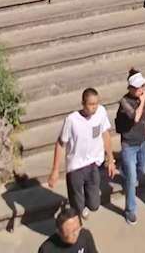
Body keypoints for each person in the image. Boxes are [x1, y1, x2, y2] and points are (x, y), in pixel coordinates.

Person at [48, 88, 115, 217]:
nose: (94, 107)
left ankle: (82, 204)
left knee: (94, 205)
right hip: (76, 168)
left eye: (96, 103)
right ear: (83, 104)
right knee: (78, 208)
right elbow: (60, 143)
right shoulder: (72, 120)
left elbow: (105, 134)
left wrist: (111, 159)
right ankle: (77, 212)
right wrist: (55, 171)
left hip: (92, 165)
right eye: (91, 104)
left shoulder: (101, 112)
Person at [115, 70, 145, 225]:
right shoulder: (124, 102)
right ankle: (130, 211)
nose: (142, 89)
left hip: (142, 142)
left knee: (144, 169)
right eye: (139, 86)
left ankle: (124, 170)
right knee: (131, 180)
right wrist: (142, 102)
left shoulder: (144, 97)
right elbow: (135, 117)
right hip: (129, 145)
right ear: (131, 88)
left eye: (143, 85)